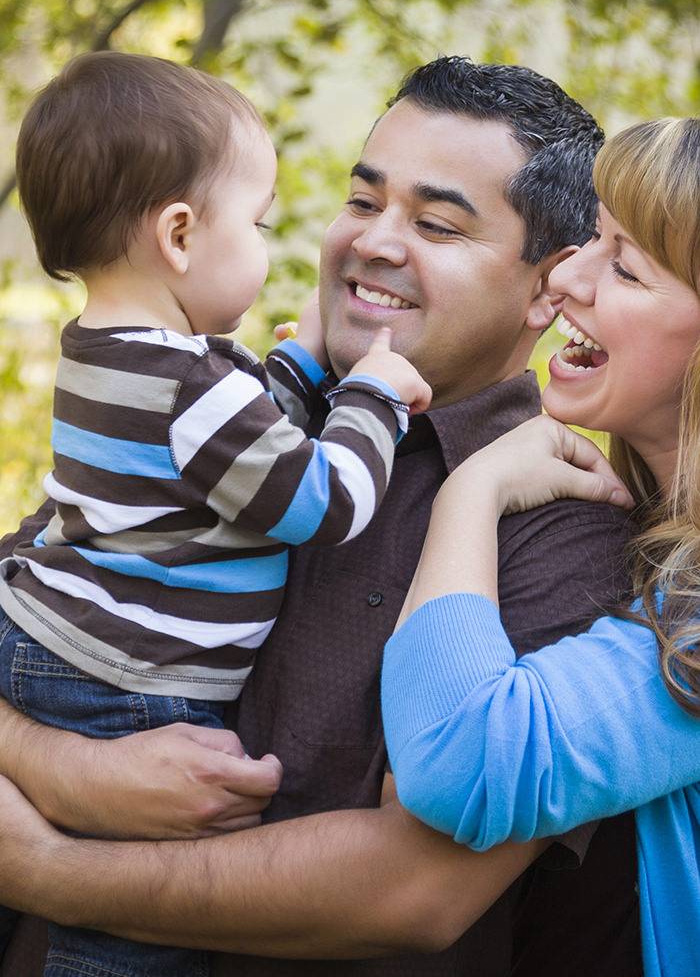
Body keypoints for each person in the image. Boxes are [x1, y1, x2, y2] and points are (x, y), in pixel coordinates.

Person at [0, 58, 641, 976]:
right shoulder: (219, 411)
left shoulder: (564, 530)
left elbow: (410, 890)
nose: (374, 243)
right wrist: (65, 768)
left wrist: (47, 865)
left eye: (435, 224)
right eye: (362, 200)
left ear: (548, 288)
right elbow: (26, 607)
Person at [0, 50, 431, 976]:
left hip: (49, 634)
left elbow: (216, 457)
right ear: (182, 235)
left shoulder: (112, 352)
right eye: (261, 224)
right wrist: (374, 397)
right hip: (127, 681)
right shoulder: (190, 386)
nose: (272, 245)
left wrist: (302, 369)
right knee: (127, 927)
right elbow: (321, 499)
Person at [381, 116, 700, 977]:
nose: (569, 276)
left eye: (626, 267)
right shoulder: (646, 531)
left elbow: (458, 765)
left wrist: (470, 493)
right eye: (592, 240)